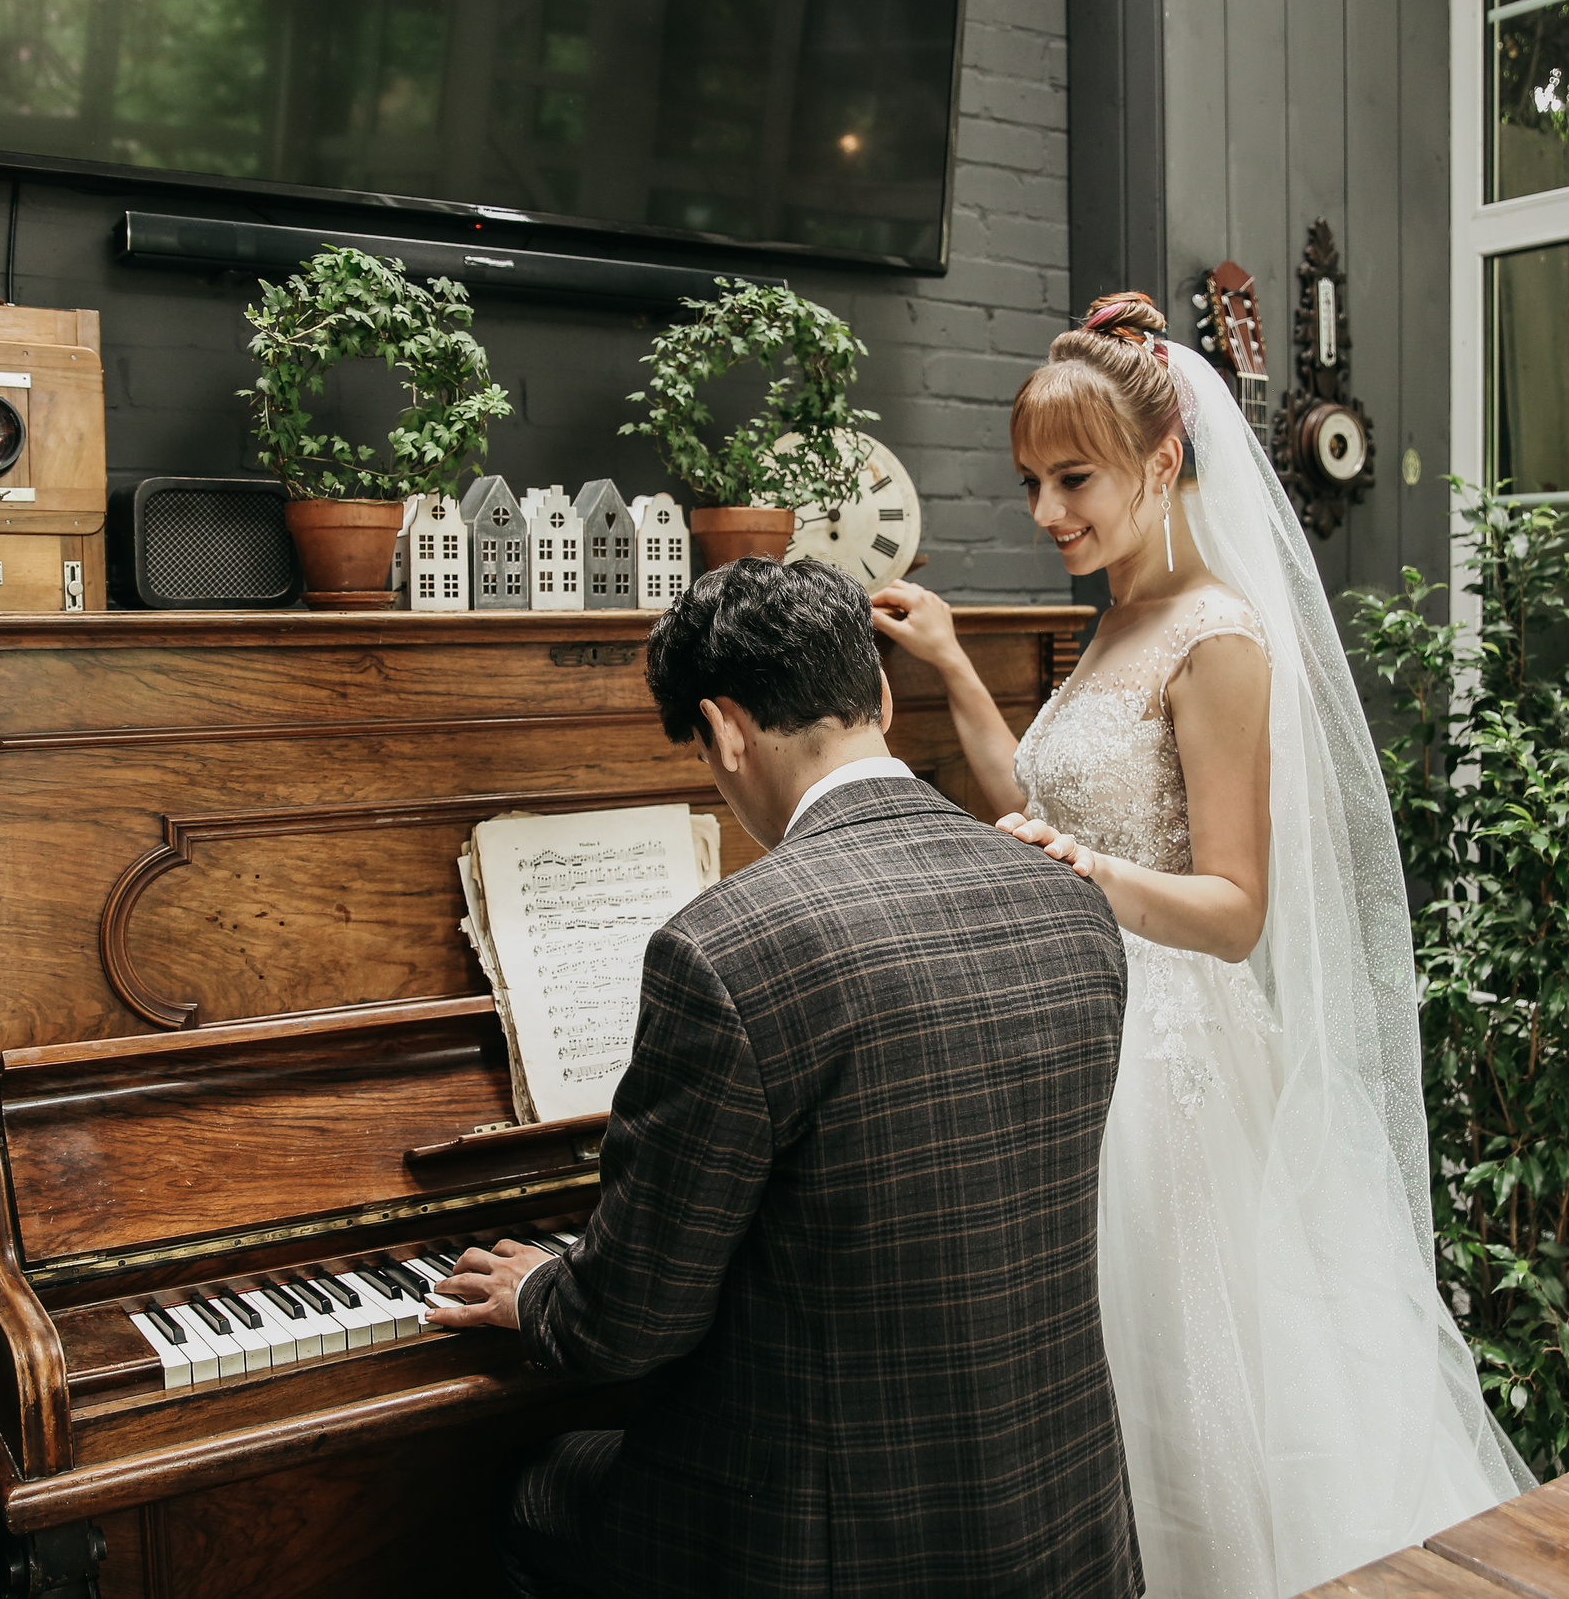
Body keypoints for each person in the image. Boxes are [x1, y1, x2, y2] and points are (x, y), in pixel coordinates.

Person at [872, 293, 1533, 1599]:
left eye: (1075, 479)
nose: (1048, 511)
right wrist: (953, 668)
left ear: (1162, 463)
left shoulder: (1219, 636)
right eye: (1031, 485)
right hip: (1087, 1033)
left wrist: (1085, 872)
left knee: (1195, 1399)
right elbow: (1045, 812)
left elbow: (1234, 910)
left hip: (1175, 1068)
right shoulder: (1111, 619)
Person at [432, 556, 1142, 1599]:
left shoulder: (722, 948)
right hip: (1058, 1514)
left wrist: (542, 1287)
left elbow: (630, 1324)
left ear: (723, 731)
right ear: (882, 695)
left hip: (825, 1548)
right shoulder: (1069, 899)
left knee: (533, 1491)